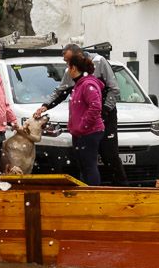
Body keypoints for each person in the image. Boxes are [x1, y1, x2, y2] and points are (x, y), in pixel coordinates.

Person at [39, 46, 127, 184]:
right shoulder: (73, 73)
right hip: (86, 123)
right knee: (85, 161)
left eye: (68, 61)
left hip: (104, 115)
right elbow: (61, 91)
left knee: (109, 156)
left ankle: (122, 189)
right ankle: (87, 189)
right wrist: (45, 105)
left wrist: (102, 112)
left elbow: (113, 90)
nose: (66, 65)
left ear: (78, 58)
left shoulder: (98, 63)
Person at [63, 53, 107, 185]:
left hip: (89, 133)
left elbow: (95, 107)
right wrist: (73, 126)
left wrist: (83, 126)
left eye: (68, 67)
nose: (67, 70)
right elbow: (78, 109)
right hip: (80, 133)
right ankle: (85, 192)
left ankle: (92, 193)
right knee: (83, 166)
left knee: (89, 165)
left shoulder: (87, 85)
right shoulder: (79, 84)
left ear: (74, 68)